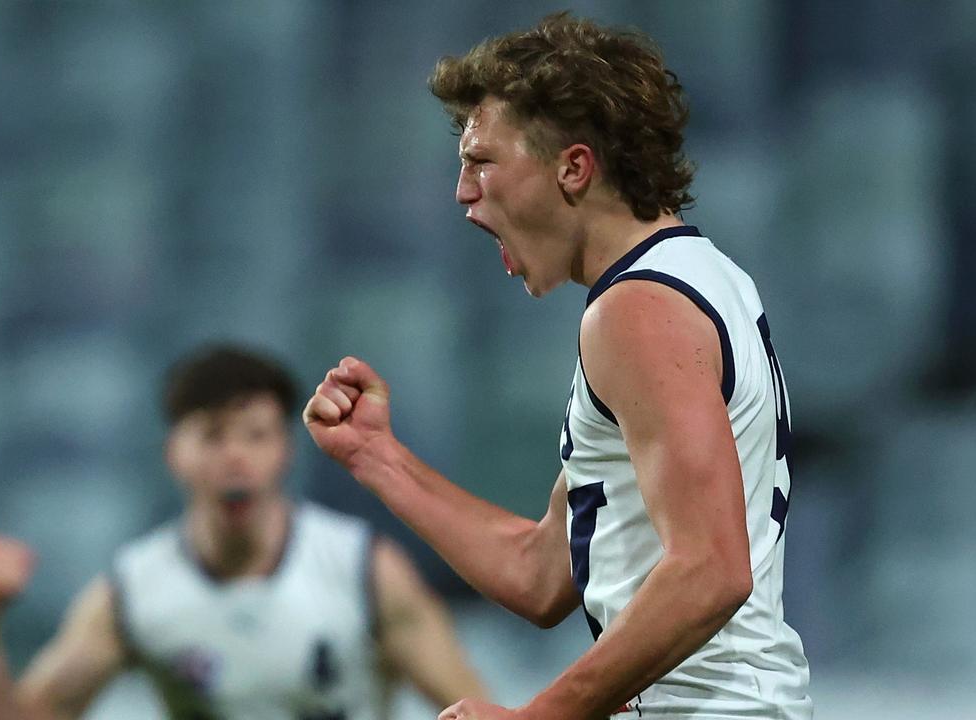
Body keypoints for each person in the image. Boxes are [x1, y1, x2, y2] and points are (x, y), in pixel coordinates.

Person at [303, 12, 811, 720]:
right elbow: (544, 572)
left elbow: (711, 569)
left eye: (482, 162)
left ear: (573, 167)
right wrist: (377, 456)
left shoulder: (639, 310)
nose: (462, 191)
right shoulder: (697, 279)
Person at [0, 344, 487, 720]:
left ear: (286, 451)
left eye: (256, 436)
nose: (235, 457)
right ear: (173, 455)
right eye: (212, 436)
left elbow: (474, 708)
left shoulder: (365, 571)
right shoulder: (135, 591)